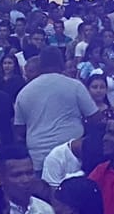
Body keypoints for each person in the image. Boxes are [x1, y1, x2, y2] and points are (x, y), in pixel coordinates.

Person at [15, 46, 98, 174]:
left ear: (40, 65)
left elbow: (19, 129)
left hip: (38, 155)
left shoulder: (24, 92)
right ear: (62, 63)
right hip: (71, 153)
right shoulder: (75, 86)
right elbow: (94, 117)